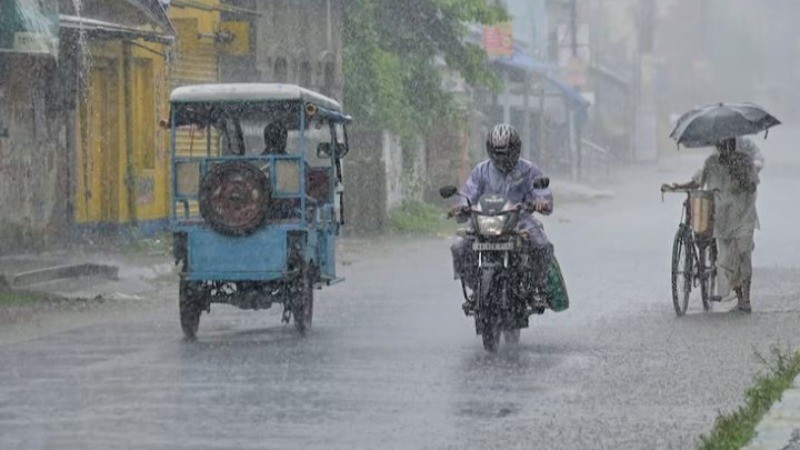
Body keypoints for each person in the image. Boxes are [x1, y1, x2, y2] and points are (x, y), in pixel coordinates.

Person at [450, 123, 554, 313]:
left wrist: (541, 202)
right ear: (490, 150)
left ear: (516, 149)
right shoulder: (481, 171)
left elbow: (542, 192)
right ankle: (476, 287)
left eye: (506, 153)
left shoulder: (529, 170)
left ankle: (536, 287)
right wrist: (462, 207)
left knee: (542, 246)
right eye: (497, 153)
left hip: (520, 219)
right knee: (459, 247)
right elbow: (468, 193)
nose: (502, 158)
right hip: (485, 220)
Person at [662, 136, 764, 313]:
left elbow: (753, 186)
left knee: (743, 253)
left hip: (744, 215)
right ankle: (738, 293)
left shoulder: (744, 161)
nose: (725, 150)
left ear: (733, 146)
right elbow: (697, 182)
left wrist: (740, 175)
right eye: (721, 146)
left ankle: (745, 298)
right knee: (726, 260)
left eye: (728, 146)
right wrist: (677, 186)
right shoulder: (712, 162)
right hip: (723, 218)